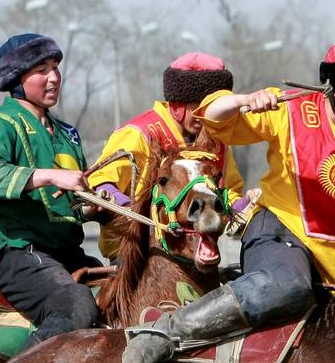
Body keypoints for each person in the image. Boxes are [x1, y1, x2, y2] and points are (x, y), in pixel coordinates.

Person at [121, 38, 335, 363]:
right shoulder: (290, 110)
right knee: (288, 285)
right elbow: (212, 116)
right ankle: (166, 333)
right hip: (278, 234)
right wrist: (243, 101)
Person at [0, 32, 100, 350]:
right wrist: (49, 176)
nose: (54, 77)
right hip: (19, 254)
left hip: (68, 256)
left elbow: (69, 206)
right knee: (78, 306)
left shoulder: (67, 133)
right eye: (42, 69)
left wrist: (97, 205)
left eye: (55, 67)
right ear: (16, 78)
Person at [86, 52, 247, 258]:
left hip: (193, 254)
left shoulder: (218, 143)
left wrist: (247, 207)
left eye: (214, 108)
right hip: (136, 256)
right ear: (178, 106)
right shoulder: (138, 134)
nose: (209, 115)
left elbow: (229, 192)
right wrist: (127, 207)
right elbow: (100, 182)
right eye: (200, 107)